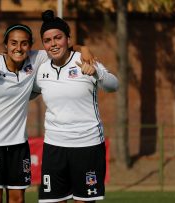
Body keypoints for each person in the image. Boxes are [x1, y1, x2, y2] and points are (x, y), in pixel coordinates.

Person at [0, 23, 95, 203]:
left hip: (19, 142)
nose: (18, 48)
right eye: (13, 43)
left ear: (30, 45)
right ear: (6, 45)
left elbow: (66, 47)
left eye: (24, 43)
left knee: (18, 199)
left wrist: (85, 49)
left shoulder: (36, 59)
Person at [34, 10, 119, 203]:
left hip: (87, 146)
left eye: (58, 38)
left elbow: (114, 86)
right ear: (43, 44)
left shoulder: (84, 60)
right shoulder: (42, 68)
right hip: (54, 147)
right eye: (47, 40)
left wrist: (96, 72)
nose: (53, 44)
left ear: (68, 39)